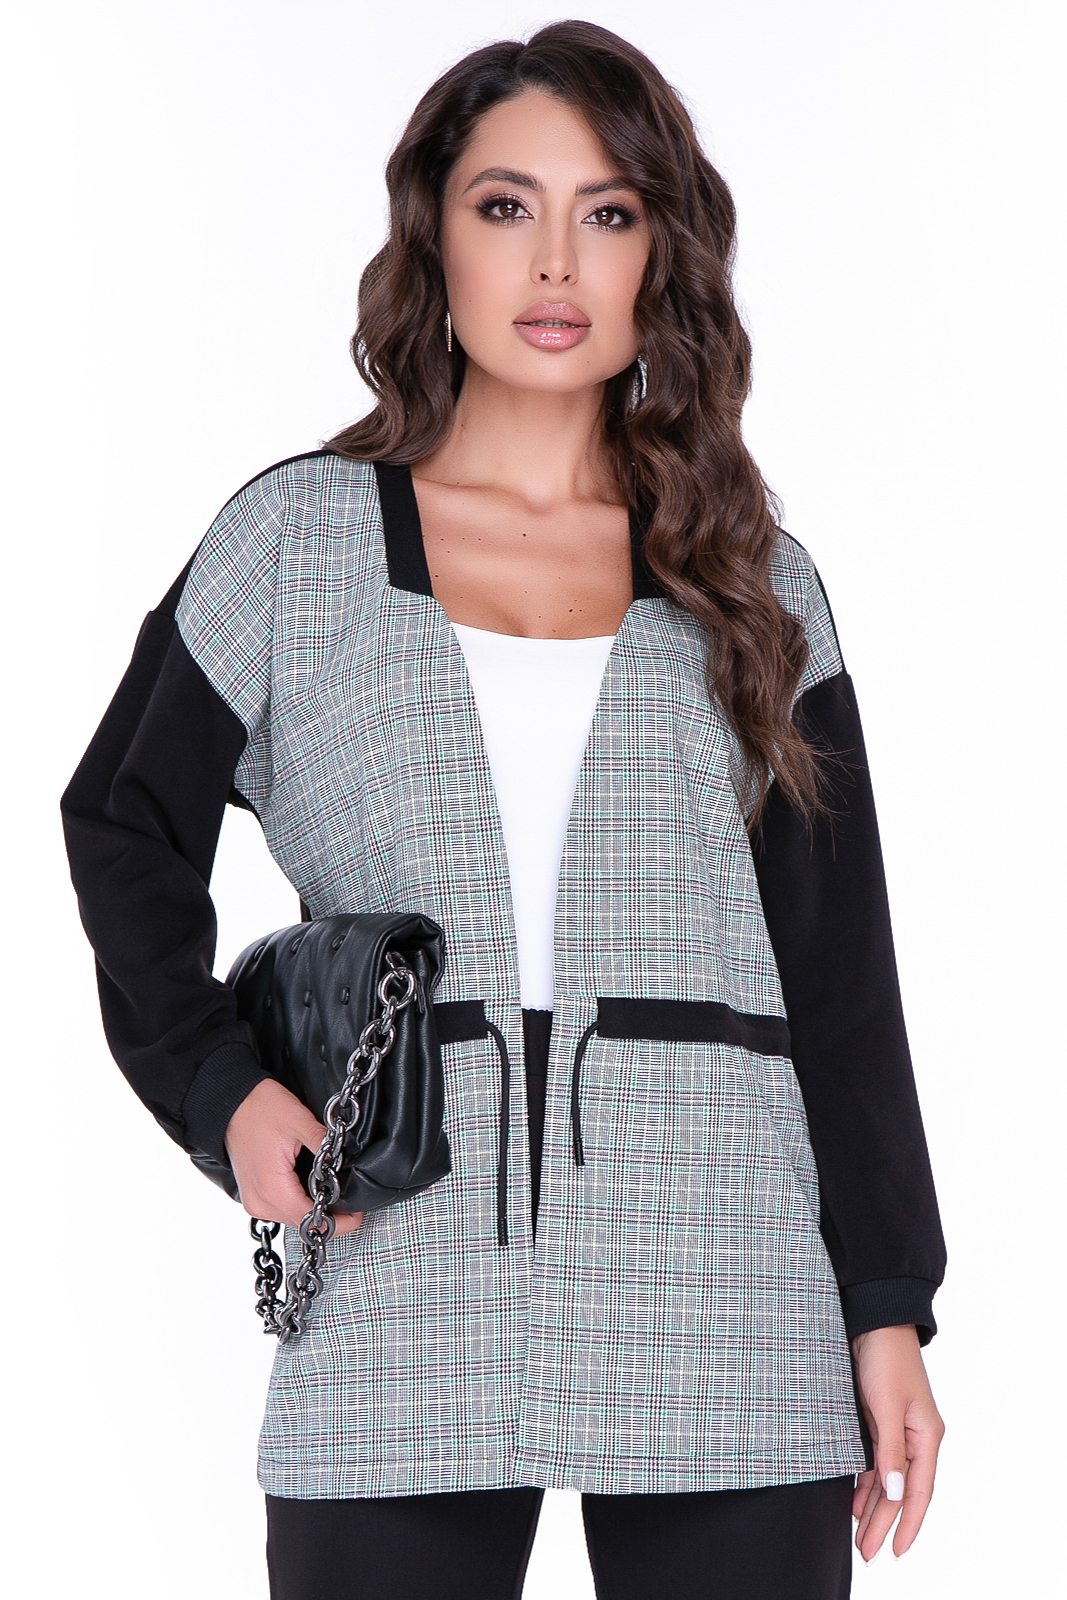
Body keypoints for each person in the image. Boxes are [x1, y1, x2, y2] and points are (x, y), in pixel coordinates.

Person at [60, 20, 947, 1600]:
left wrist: (887, 1305)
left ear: (659, 253)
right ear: (435, 239)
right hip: (396, 1271)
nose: (554, 261)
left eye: (607, 213)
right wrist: (221, 1091)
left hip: (726, 1290)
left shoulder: (754, 580)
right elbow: (121, 824)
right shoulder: (295, 547)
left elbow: (840, 970)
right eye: (504, 206)